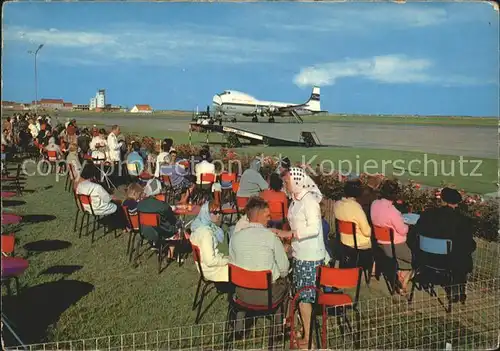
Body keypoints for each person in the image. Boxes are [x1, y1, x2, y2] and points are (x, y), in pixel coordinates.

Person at [272, 167, 329, 349]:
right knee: (300, 295)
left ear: (296, 181)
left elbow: (313, 229)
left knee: (305, 298)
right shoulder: (295, 200)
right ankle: (304, 330)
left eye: (287, 181)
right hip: (299, 253)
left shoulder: (309, 202)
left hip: (310, 256)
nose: (285, 185)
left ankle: (308, 339)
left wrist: (289, 233)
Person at [229, 197, 290, 327]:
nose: (270, 219)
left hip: (241, 294)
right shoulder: (271, 237)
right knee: (286, 283)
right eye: (267, 215)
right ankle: (280, 325)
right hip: (267, 296)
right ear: (258, 215)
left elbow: (233, 265)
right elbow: (284, 270)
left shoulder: (235, 237)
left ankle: (239, 326)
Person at [410, 187, 476, 303]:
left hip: (425, 259)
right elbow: (467, 245)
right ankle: (458, 291)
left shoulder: (427, 214)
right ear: (458, 202)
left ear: (443, 200)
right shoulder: (463, 220)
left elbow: (416, 233)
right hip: (448, 262)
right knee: (464, 254)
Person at [370, 179, 412, 293]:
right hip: (395, 245)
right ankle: (402, 280)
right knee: (413, 258)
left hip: (379, 242)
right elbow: (403, 231)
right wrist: (408, 226)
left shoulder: (374, 204)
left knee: (404, 257)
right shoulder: (393, 212)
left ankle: (400, 275)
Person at [76, 164, 127, 229]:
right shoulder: (97, 187)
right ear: (92, 175)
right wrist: (113, 197)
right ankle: (122, 225)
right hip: (98, 208)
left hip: (86, 207)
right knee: (118, 205)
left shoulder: (80, 185)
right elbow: (107, 199)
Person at [189, 200, 229, 282]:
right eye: (214, 213)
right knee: (241, 268)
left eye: (219, 212)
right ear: (206, 213)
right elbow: (210, 261)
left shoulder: (197, 225)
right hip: (211, 270)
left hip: (202, 266)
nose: (218, 215)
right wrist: (228, 260)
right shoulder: (206, 233)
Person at [136, 178, 177, 245]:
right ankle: (172, 251)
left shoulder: (140, 204)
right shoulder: (162, 206)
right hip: (160, 233)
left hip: (144, 232)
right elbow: (172, 219)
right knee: (175, 225)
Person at [334, 179, 372, 250]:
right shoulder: (356, 208)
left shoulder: (337, 205)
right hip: (360, 243)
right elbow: (367, 232)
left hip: (344, 241)